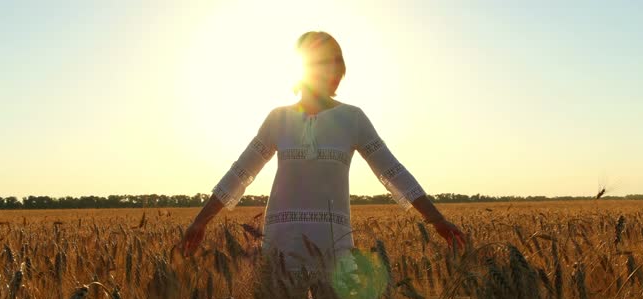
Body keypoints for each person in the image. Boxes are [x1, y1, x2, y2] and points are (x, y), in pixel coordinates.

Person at [180, 31, 466, 281]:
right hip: (281, 241)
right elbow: (240, 173)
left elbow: (392, 171)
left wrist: (438, 220)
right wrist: (200, 221)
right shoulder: (277, 118)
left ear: (337, 70)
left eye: (327, 62)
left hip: (332, 243)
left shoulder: (352, 118)